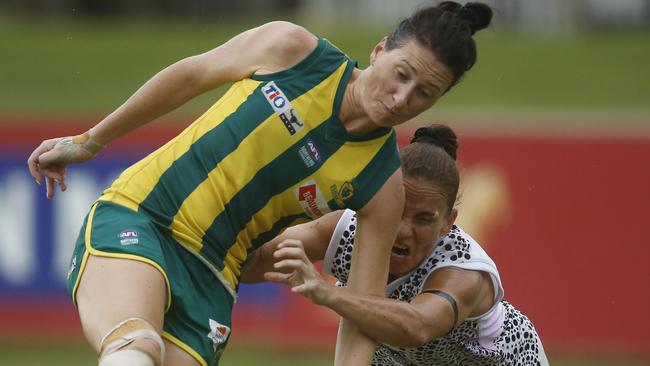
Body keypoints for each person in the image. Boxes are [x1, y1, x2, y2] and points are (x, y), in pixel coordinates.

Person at [27, 2, 492, 365]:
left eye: (424, 93)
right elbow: (190, 75)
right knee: (135, 346)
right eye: (402, 74)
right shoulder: (293, 51)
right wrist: (91, 141)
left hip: (213, 281)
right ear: (380, 49)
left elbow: (361, 314)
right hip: (143, 216)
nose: (402, 98)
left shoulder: (382, 185)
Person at [243, 124, 549, 365]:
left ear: (447, 221)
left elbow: (416, 327)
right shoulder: (349, 226)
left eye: (423, 219)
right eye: (398, 210)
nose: (403, 230)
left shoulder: (463, 272)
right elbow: (253, 262)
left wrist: (327, 295)